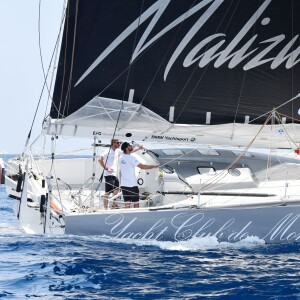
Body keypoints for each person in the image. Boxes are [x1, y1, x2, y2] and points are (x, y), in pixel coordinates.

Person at [119, 142, 159, 208]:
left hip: (124, 184)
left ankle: (126, 216)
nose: (131, 146)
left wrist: (138, 149)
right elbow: (142, 167)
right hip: (132, 184)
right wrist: (154, 166)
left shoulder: (121, 158)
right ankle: (136, 215)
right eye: (129, 146)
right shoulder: (131, 158)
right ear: (126, 148)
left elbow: (127, 153)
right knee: (136, 202)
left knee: (127, 202)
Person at [98, 139, 122, 209]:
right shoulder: (107, 151)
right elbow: (99, 159)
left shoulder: (118, 151)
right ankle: (105, 208)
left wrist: (138, 148)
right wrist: (106, 168)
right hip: (108, 174)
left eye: (120, 143)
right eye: (118, 143)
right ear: (113, 143)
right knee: (108, 192)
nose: (119, 144)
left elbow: (127, 152)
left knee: (117, 189)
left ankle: (113, 205)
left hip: (114, 174)